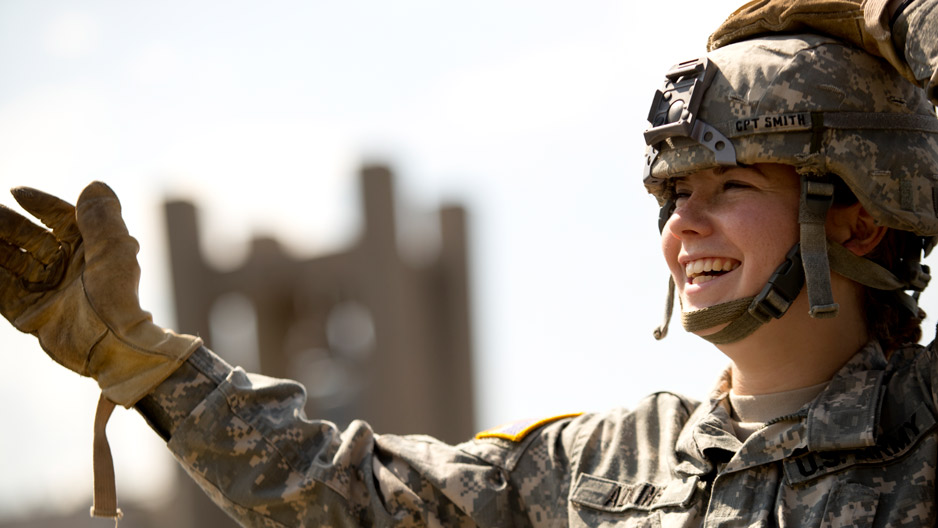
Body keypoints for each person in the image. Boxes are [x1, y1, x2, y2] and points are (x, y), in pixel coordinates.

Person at [1, 0, 937, 526]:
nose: (682, 227)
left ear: (857, 218)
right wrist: (146, 363)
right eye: (671, 197)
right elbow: (344, 493)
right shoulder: (600, 467)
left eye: (727, 187)